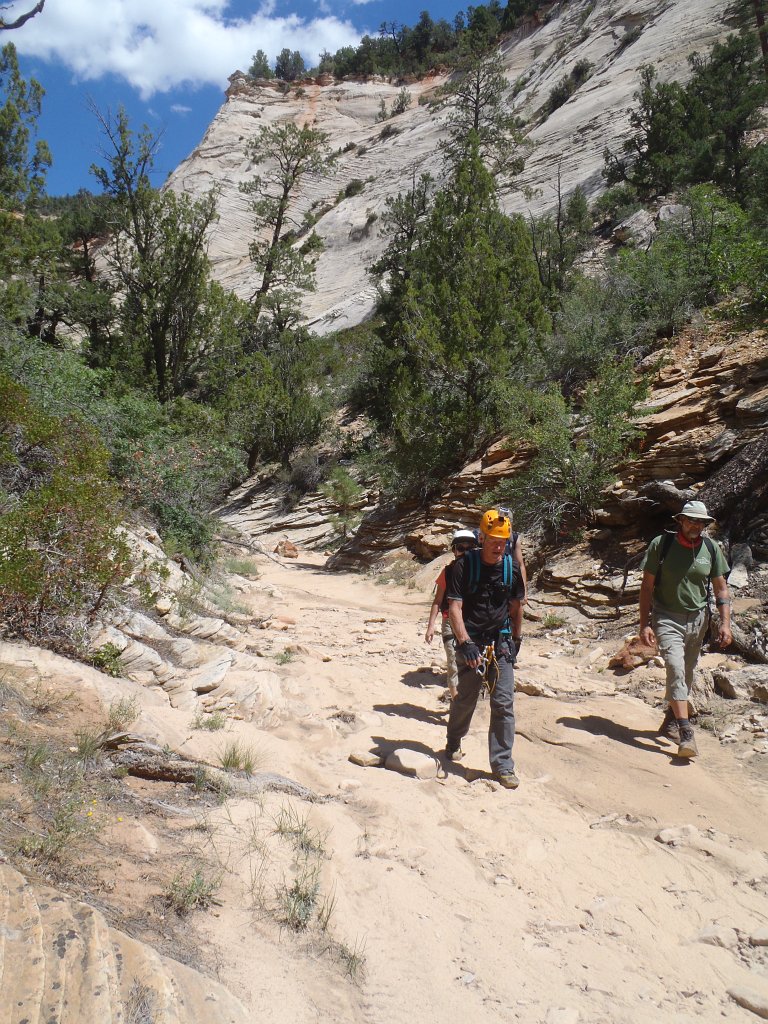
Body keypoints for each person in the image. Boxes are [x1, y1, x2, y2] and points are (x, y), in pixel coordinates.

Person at [638, 500, 732, 759]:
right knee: (676, 668)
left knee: (687, 673)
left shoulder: (711, 548)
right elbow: (647, 587)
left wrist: (725, 623)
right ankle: (686, 731)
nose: (696, 525)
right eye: (691, 520)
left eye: (701, 522)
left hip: (698, 619)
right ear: (680, 520)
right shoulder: (662, 544)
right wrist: (644, 623)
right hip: (667, 617)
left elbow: (720, 588)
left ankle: (670, 719)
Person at [445, 509, 525, 789]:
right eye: (493, 540)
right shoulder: (463, 566)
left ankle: (503, 765)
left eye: (503, 541)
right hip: (473, 641)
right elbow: (454, 607)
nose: (498, 546)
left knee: (503, 703)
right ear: (481, 536)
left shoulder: (511, 569)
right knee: (466, 699)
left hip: (500, 642)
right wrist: (465, 643)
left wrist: (516, 639)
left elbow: (516, 607)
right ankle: (453, 739)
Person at [424, 529, 477, 699]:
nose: (465, 552)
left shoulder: (480, 572)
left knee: (473, 661)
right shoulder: (447, 572)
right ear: (454, 550)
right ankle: (456, 701)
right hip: (449, 621)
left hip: (472, 622)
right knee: (453, 662)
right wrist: (431, 626)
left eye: (469, 549)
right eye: (461, 548)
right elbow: (438, 601)